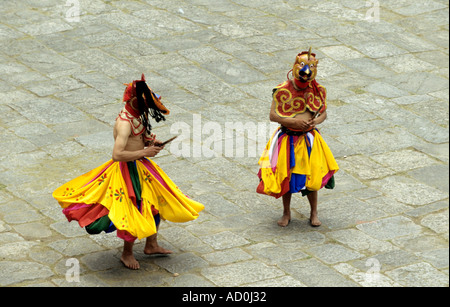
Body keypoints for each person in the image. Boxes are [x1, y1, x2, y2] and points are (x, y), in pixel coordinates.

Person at [53, 74, 204, 270]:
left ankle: (151, 244)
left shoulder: (138, 115)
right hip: (127, 171)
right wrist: (145, 151)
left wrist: (151, 143)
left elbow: (142, 136)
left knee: (154, 203)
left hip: (142, 166)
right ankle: (127, 253)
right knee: (133, 210)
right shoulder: (124, 123)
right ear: (135, 101)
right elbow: (117, 154)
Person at [257, 48, 339, 227]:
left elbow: (323, 113)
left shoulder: (318, 90)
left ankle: (314, 213)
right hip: (287, 138)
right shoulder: (282, 90)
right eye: (302, 66)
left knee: (312, 177)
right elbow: (273, 116)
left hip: (309, 139)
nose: (306, 71)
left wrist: (316, 121)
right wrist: (292, 122)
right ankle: (286, 213)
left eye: (310, 67)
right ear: (295, 67)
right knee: (285, 175)